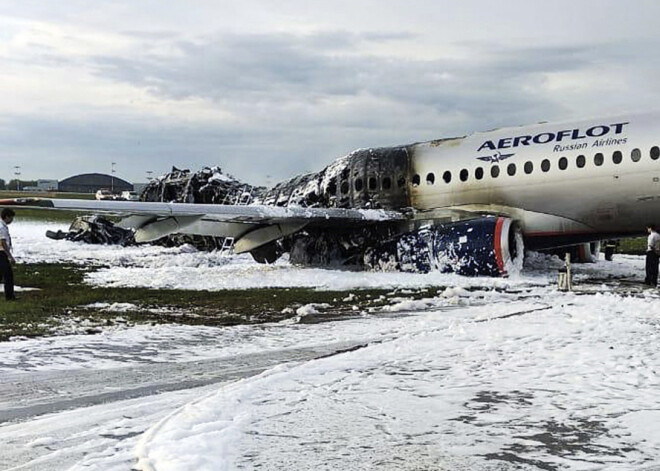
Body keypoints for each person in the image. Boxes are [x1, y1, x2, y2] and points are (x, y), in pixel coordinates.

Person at [0, 208, 16, 300]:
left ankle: (10, 296)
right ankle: (9, 296)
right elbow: (3, 242)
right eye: (11, 218)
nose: (12, 220)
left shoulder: (2, 225)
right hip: (2, 253)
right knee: (8, 275)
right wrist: (10, 256)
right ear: (7, 217)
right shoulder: (2, 227)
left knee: (2, 274)